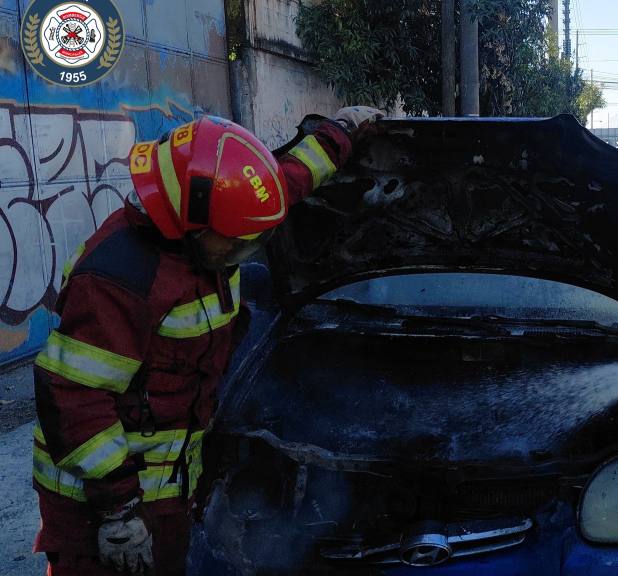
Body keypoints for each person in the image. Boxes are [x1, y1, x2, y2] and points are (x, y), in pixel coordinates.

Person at [31, 106, 383, 575]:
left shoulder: (219, 209)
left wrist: (342, 131)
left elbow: (289, 179)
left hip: (167, 490)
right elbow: (74, 401)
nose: (246, 249)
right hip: (98, 506)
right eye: (235, 241)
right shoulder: (118, 280)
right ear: (190, 221)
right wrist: (118, 512)